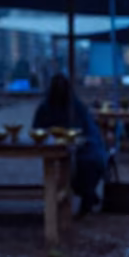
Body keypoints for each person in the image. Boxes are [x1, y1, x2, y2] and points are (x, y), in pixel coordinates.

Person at [33, 74, 107, 216]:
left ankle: (87, 194)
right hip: (57, 148)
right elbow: (37, 129)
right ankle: (81, 194)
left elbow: (86, 133)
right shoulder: (46, 108)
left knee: (86, 165)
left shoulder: (76, 108)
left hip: (87, 150)